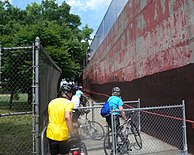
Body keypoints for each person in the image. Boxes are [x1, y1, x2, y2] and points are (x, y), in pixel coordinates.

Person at [46, 84, 76, 155]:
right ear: (67, 93)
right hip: (62, 135)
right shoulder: (68, 103)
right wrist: (72, 133)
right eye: (71, 93)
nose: (72, 95)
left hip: (51, 134)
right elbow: (67, 117)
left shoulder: (52, 102)